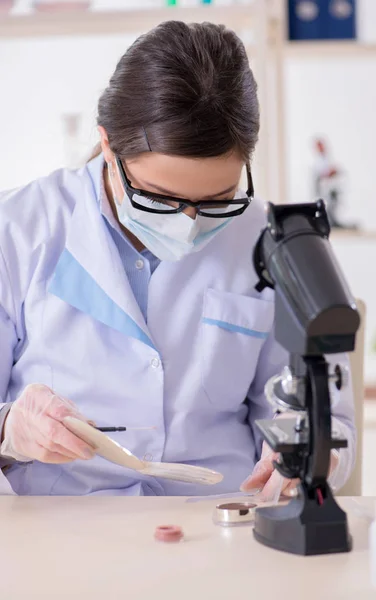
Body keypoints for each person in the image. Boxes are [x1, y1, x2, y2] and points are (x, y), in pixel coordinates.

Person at [0, 21, 354, 497]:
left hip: (218, 520)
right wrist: (10, 430)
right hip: (58, 526)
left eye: (217, 200)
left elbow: (324, 411)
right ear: (108, 146)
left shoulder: (277, 241)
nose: (189, 223)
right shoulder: (20, 229)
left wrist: (310, 453)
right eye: (161, 199)